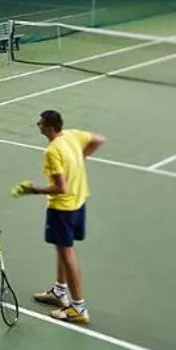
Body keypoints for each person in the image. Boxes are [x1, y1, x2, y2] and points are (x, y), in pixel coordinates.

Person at [14, 109, 106, 324]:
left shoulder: (52, 152)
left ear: (49, 127)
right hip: (79, 201)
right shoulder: (73, 135)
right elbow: (99, 139)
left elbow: (60, 188)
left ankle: (78, 308)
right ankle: (59, 292)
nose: (38, 124)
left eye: (41, 122)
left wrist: (33, 190)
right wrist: (80, 158)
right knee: (62, 248)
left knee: (67, 253)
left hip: (63, 209)